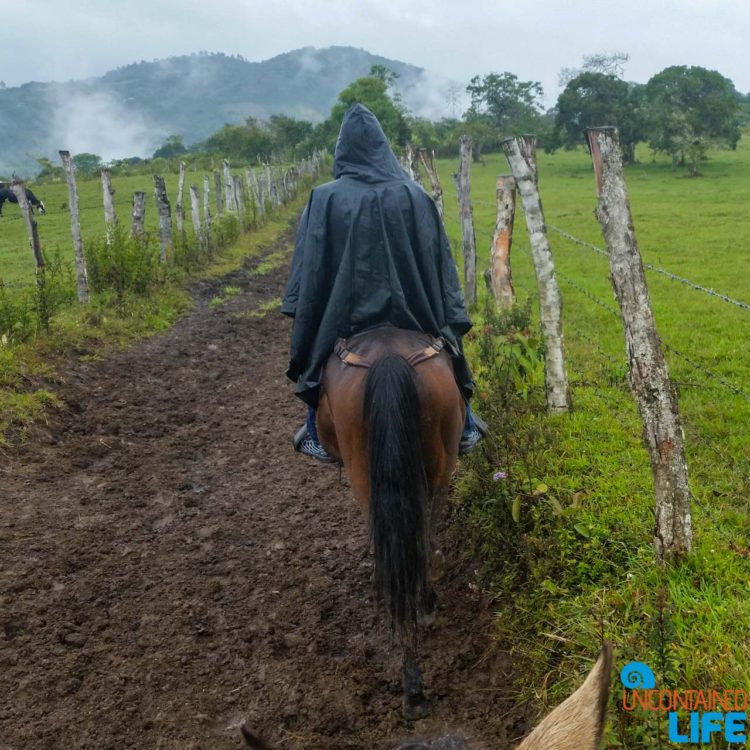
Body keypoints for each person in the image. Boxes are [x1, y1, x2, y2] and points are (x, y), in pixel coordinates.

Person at [282, 103, 487, 462]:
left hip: (344, 320)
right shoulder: (416, 196)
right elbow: (439, 266)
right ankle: (467, 422)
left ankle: (314, 428)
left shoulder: (325, 198)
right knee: (448, 353)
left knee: (318, 361)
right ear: (383, 147)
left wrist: (306, 307)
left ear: (342, 149)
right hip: (415, 315)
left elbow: (310, 270)